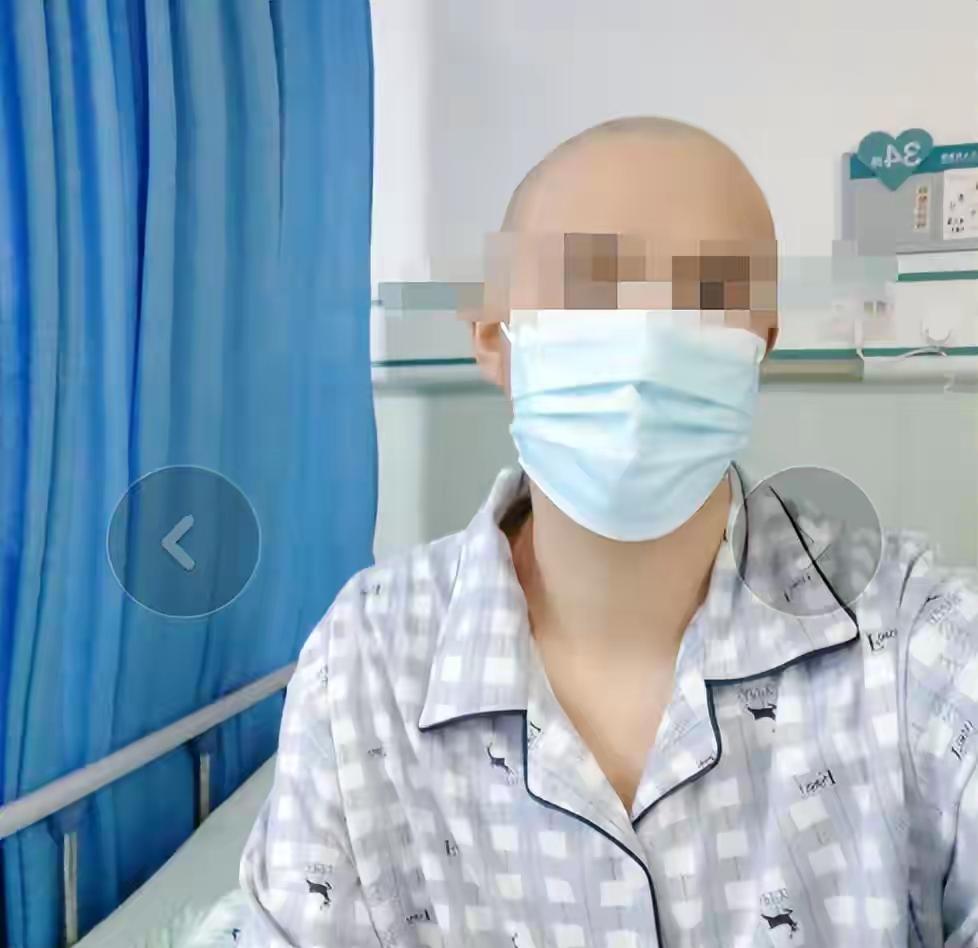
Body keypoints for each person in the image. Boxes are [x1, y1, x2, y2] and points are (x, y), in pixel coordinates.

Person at [238, 118, 978, 947]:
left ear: (758, 348)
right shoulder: (365, 662)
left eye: (706, 294)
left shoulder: (918, 641)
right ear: (493, 337)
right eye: (590, 285)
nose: (647, 341)